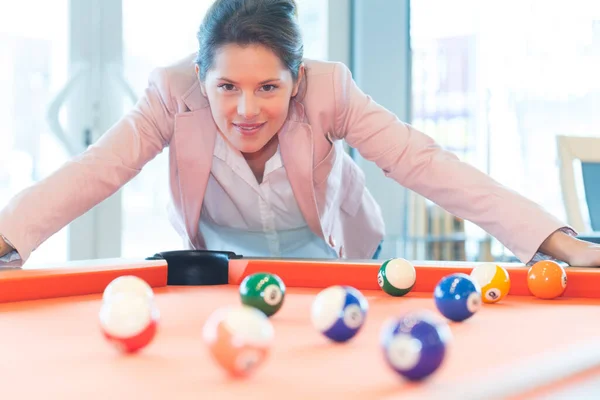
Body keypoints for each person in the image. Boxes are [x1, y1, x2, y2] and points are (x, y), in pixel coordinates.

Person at [0, 0, 599, 268]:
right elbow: (96, 168)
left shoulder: (331, 89)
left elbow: (426, 162)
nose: (246, 111)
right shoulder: (169, 92)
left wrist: (555, 239)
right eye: (227, 87)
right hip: (225, 258)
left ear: (297, 79)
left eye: (269, 88)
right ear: (200, 77)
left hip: (336, 251)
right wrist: (7, 236)